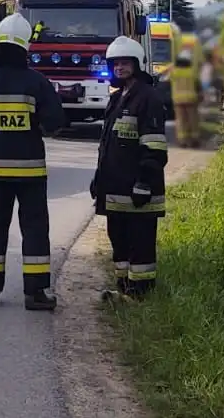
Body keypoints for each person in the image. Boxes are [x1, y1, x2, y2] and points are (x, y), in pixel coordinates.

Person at [0, 12, 65, 310]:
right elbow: (55, 123)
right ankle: (35, 293)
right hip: (30, 173)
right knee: (34, 229)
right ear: (25, 47)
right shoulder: (37, 83)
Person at [91, 35, 168, 299]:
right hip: (116, 191)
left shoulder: (148, 99)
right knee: (119, 242)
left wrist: (144, 182)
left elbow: (155, 146)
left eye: (125, 63)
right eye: (116, 64)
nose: (119, 68)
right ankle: (123, 289)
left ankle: (141, 294)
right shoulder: (117, 98)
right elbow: (107, 146)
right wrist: (98, 179)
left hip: (138, 191)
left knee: (141, 244)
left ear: (138, 64)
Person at [170, 49, 201, 147]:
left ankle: (182, 141)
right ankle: (194, 140)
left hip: (178, 100)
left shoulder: (174, 72)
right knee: (192, 120)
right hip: (191, 99)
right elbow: (198, 85)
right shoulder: (192, 72)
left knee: (181, 120)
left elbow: (167, 79)